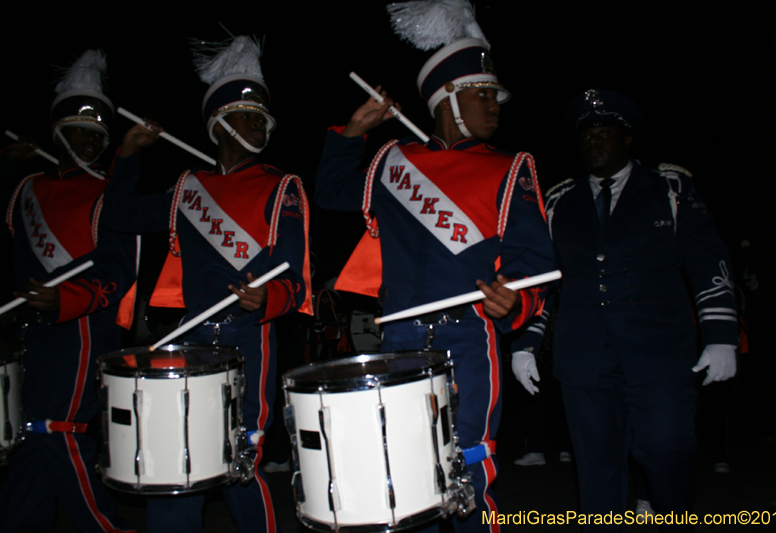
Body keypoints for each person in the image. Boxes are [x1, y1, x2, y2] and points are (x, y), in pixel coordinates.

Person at [316, 25, 554, 532]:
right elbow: (332, 192)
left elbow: (535, 263)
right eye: (483, 94)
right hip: (399, 341)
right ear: (448, 97)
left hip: (469, 339)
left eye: (496, 96)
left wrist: (516, 299)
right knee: (408, 480)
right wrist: (355, 131)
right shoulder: (393, 161)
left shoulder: (510, 168)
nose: (495, 106)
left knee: (466, 474)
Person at [101, 36, 311, 533]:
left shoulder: (282, 187)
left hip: (247, 341)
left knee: (241, 464)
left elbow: (296, 282)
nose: (258, 123)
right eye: (246, 115)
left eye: (262, 116)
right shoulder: (186, 187)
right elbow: (118, 215)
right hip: (189, 343)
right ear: (218, 124)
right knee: (180, 464)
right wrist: (127, 154)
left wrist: (267, 298)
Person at [524, 89, 737, 531]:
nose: (594, 142)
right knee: (597, 471)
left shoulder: (669, 187)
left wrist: (720, 335)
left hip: (660, 354)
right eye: (586, 136)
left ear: (627, 139)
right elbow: (545, 281)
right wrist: (528, 341)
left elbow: (707, 260)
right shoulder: (560, 201)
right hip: (584, 357)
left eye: (604, 133)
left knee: (667, 449)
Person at [0, 50, 137, 532]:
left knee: (59, 431)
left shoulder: (107, 193)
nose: (86, 141)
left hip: (82, 330)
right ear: (56, 133)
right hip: (32, 334)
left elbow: (121, 271)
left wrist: (69, 299)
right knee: (32, 438)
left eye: (95, 135)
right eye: (76, 131)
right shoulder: (24, 188)